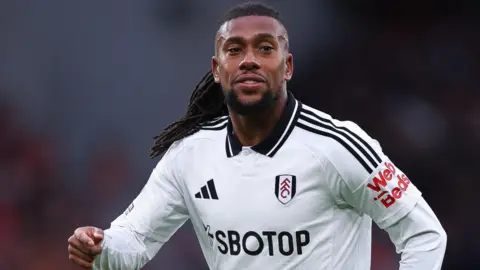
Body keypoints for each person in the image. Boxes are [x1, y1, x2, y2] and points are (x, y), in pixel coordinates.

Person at [67, 2, 447, 269]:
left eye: (265, 48)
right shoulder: (190, 155)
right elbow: (132, 242)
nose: (249, 59)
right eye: (235, 50)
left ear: (288, 67)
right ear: (218, 70)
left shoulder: (337, 146)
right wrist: (99, 249)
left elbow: (424, 233)